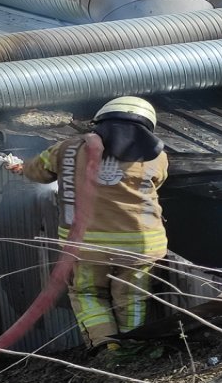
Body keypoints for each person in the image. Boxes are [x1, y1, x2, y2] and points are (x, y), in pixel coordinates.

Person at [15, 97, 169, 353]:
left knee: (87, 293)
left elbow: (36, 172)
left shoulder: (67, 148)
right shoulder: (158, 158)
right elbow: (157, 184)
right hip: (141, 246)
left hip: (87, 246)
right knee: (132, 296)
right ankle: (133, 346)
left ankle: (106, 346)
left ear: (101, 121)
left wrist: (20, 167)